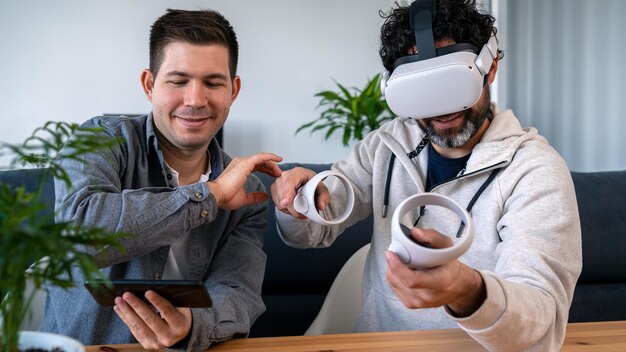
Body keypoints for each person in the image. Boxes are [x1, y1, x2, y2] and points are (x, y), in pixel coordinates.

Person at [270, 0, 582, 351]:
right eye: (422, 87)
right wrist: (297, 199)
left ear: (489, 66)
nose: (442, 107)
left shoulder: (534, 170)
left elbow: (540, 322)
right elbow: (311, 232)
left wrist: (469, 291)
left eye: (452, 82)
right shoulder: (386, 146)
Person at [41, 9, 282, 351]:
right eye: (178, 80)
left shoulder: (249, 192)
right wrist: (209, 195)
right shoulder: (101, 139)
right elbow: (78, 236)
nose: (196, 100)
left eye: (213, 83)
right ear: (150, 85)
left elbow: (238, 291)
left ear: (233, 90)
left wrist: (193, 326)